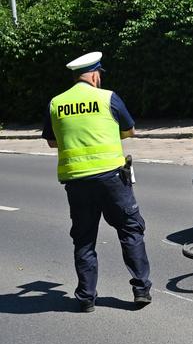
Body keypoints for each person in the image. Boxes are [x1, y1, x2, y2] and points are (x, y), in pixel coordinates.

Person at [41, 52, 152, 313]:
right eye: (99, 75)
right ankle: (140, 290)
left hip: (77, 183)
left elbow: (52, 141)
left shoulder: (56, 103)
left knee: (84, 239)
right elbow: (129, 130)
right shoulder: (107, 97)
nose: (99, 79)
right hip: (112, 178)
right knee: (130, 230)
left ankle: (86, 298)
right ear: (93, 75)